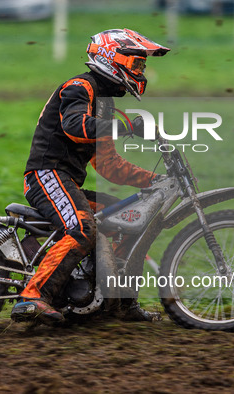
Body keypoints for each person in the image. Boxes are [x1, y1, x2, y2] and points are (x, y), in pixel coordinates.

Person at [11, 29, 170, 325]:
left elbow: (108, 165)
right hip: (46, 175)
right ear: (112, 58)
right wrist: (124, 128)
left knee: (127, 219)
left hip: (68, 182)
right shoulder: (79, 87)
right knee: (82, 226)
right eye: (136, 65)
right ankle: (31, 296)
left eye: (141, 67)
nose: (140, 71)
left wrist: (154, 179)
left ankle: (121, 302)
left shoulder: (105, 103)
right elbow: (74, 126)